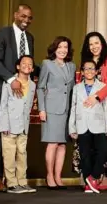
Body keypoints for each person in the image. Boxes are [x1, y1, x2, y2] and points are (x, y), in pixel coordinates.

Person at [0, 4, 40, 192]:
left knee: (20, 139)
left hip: (22, 92)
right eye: (23, 16)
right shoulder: (2, 34)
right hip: (2, 89)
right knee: (0, 135)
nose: (26, 20)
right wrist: (11, 80)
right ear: (16, 15)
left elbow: (29, 64)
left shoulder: (30, 38)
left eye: (29, 17)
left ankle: (17, 180)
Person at [72, 32, 107, 190]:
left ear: (102, 44)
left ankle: (105, 179)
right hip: (87, 110)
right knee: (89, 145)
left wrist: (97, 96)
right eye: (90, 44)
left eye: (97, 43)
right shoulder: (86, 63)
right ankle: (91, 178)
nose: (94, 46)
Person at [37, 36, 76, 189]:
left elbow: (72, 88)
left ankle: (58, 177)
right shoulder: (47, 64)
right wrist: (42, 109)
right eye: (60, 47)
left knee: (62, 144)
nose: (63, 50)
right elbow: (40, 87)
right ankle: (49, 176)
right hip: (51, 109)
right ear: (54, 49)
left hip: (67, 110)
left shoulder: (72, 66)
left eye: (65, 47)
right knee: (52, 143)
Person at [69, 60, 107, 194]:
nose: (89, 71)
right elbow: (73, 108)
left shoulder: (102, 86)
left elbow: (106, 108)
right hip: (82, 124)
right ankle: (88, 184)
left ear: (96, 71)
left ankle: (94, 177)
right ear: (82, 72)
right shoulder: (76, 88)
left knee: (103, 151)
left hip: (99, 124)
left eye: (92, 68)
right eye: (86, 69)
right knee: (85, 154)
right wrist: (72, 127)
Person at [0, 55, 37, 194]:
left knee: (22, 154)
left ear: (32, 68)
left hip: (23, 126)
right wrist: (4, 126)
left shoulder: (32, 85)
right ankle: (11, 183)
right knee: (9, 155)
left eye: (30, 64)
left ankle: (22, 182)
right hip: (10, 125)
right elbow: (3, 106)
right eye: (24, 63)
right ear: (18, 66)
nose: (27, 65)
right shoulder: (10, 83)